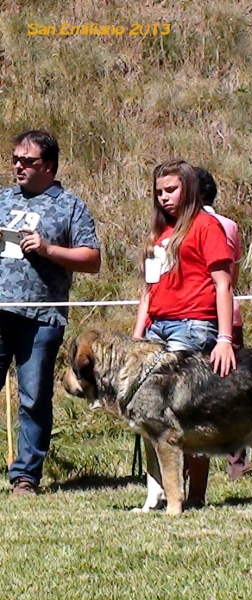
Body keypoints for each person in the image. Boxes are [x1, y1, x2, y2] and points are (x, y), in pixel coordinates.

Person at [0, 130, 101, 495]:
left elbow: (91, 259)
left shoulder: (70, 206)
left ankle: (25, 476)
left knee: (33, 397)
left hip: (41, 318)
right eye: (15, 159)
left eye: (27, 161)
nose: (18, 167)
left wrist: (47, 249)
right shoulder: (2, 199)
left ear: (50, 166)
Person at [133, 159, 236, 506]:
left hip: (193, 327)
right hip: (156, 329)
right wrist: (138, 335)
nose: (164, 197)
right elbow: (148, 291)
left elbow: (224, 285)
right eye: (159, 191)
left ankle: (195, 495)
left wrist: (224, 339)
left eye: (171, 190)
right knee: (151, 414)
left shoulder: (207, 227)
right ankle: (158, 493)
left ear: (189, 189)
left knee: (186, 413)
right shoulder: (159, 234)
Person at [196, 166, 251, 479]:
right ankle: (237, 463)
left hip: (196, 317)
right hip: (229, 314)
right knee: (232, 390)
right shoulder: (229, 225)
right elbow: (232, 277)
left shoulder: (184, 227)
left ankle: (191, 465)